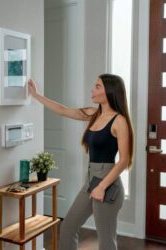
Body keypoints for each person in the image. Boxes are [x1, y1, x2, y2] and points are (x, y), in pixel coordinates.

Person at [28, 74, 134, 250]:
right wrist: (37, 95)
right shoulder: (94, 114)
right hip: (91, 181)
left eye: (97, 86)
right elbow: (63, 110)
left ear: (109, 91)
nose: (92, 89)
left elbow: (124, 160)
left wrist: (102, 187)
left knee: (106, 240)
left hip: (107, 183)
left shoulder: (119, 121)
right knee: (68, 226)